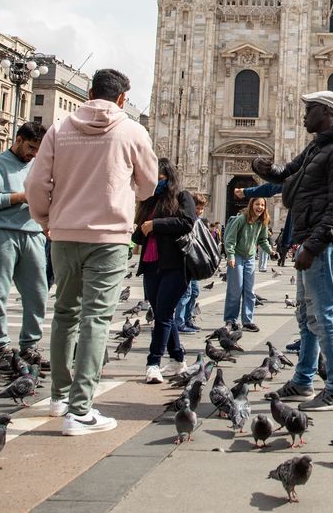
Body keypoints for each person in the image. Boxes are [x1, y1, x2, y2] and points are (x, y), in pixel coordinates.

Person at [27, 67, 158, 434]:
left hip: (64, 234)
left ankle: (58, 396)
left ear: (88, 92)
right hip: (110, 237)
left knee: (65, 313)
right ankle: (80, 410)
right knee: (95, 319)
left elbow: (36, 181)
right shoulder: (132, 130)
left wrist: (44, 218)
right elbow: (149, 185)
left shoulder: (60, 129)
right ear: (121, 99)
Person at [253, 90, 333, 412]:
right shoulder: (319, 145)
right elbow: (288, 173)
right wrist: (264, 169)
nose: (303, 114)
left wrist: (313, 245)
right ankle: (303, 379)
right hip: (311, 238)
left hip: (325, 244)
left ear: (326, 111)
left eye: (309, 108)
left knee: (325, 314)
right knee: (306, 313)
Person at [0, 122, 48, 369]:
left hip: (33, 233)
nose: (34, 153)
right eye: (30, 147)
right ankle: (0, 348)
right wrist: (19, 197)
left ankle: (30, 346)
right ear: (18, 140)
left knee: (38, 293)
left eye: (38, 149)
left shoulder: (41, 167)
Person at [132, 159, 197, 384]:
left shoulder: (182, 196)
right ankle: (178, 360)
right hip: (151, 264)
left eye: (157, 177)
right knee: (164, 313)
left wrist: (156, 225)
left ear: (167, 177)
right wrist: (140, 230)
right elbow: (139, 235)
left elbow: (188, 222)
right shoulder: (148, 201)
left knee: (162, 315)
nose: (154, 182)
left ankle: (153, 363)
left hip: (176, 265)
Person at [224, 196, 274, 331]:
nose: (260, 207)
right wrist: (231, 256)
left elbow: (263, 239)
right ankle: (231, 319)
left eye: (262, 205)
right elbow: (230, 239)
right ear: (251, 205)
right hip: (237, 256)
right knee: (235, 289)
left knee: (250, 291)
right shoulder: (241, 219)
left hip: (250, 257)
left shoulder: (262, 222)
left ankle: (247, 320)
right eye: (257, 204)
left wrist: (271, 251)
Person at [172, 193, 208, 335]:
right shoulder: (186, 220)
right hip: (186, 262)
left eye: (201, 208)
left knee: (194, 292)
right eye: (197, 208)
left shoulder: (199, 221)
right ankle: (179, 322)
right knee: (185, 293)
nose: (199, 211)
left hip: (195, 262)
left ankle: (187, 319)